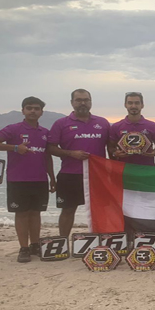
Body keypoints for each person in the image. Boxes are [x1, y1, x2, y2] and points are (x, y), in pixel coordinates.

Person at [0, 96, 56, 262]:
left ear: (41, 112)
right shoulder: (13, 129)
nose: (33, 111)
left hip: (40, 180)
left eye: (36, 108)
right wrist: (14, 147)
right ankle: (24, 248)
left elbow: (47, 157)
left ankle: (35, 245)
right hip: (18, 180)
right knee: (22, 214)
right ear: (23, 110)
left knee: (36, 213)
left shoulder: (45, 132)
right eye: (29, 108)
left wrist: (52, 178)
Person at [46, 89, 110, 237]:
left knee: (100, 209)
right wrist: (71, 153)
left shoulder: (103, 123)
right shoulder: (61, 123)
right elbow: (50, 148)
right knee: (68, 210)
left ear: (91, 102)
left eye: (86, 100)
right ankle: (63, 241)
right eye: (79, 100)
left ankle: (101, 241)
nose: (83, 103)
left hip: (97, 176)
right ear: (72, 102)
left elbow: (111, 147)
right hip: (70, 175)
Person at [109, 92, 155, 165]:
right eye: (130, 103)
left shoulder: (152, 126)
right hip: (124, 169)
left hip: (147, 169)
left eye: (137, 103)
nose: (133, 106)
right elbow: (110, 147)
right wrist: (115, 153)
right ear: (125, 105)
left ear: (142, 105)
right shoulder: (116, 126)